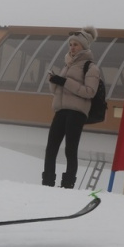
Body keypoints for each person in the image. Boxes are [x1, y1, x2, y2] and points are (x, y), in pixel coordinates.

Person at [42, 26, 101, 189]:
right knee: (51, 148)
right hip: (61, 110)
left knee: (70, 149)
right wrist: (53, 80)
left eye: (76, 44)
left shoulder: (91, 67)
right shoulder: (66, 65)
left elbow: (90, 92)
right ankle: (47, 182)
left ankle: (67, 184)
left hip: (76, 113)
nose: (72, 47)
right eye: (71, 44)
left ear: (84, 46)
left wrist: (64, 81)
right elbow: (56, 91)